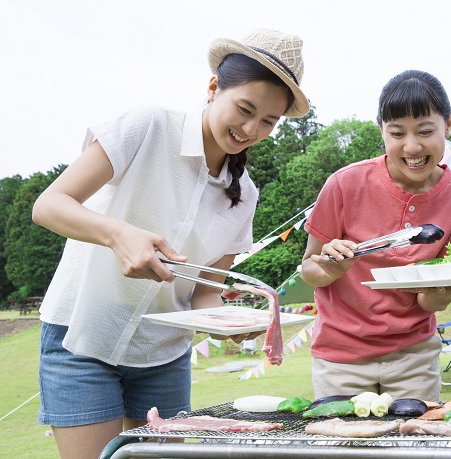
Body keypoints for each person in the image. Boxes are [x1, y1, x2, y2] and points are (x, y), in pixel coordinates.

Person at [32, 28, 309, 459]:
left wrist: (234, 325)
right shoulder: (148, 126)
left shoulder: (245, 194)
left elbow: (205, 292)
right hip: (82, 337)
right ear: (214, 87)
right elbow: (49, 205)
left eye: (268, 121)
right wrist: (118, 233)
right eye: (245, 109)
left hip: (163, 356)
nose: (252, 129)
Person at [300, 69, 451, 401]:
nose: (411, 147)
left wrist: (447, 290)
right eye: (397, 133)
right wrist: (331, 267)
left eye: (426, 131)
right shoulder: (344, 185)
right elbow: (309, 270)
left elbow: (429, 301)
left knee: (416, 446)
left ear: (449, 124)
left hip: (414, 356)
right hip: (341, 357)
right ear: (381, 129)